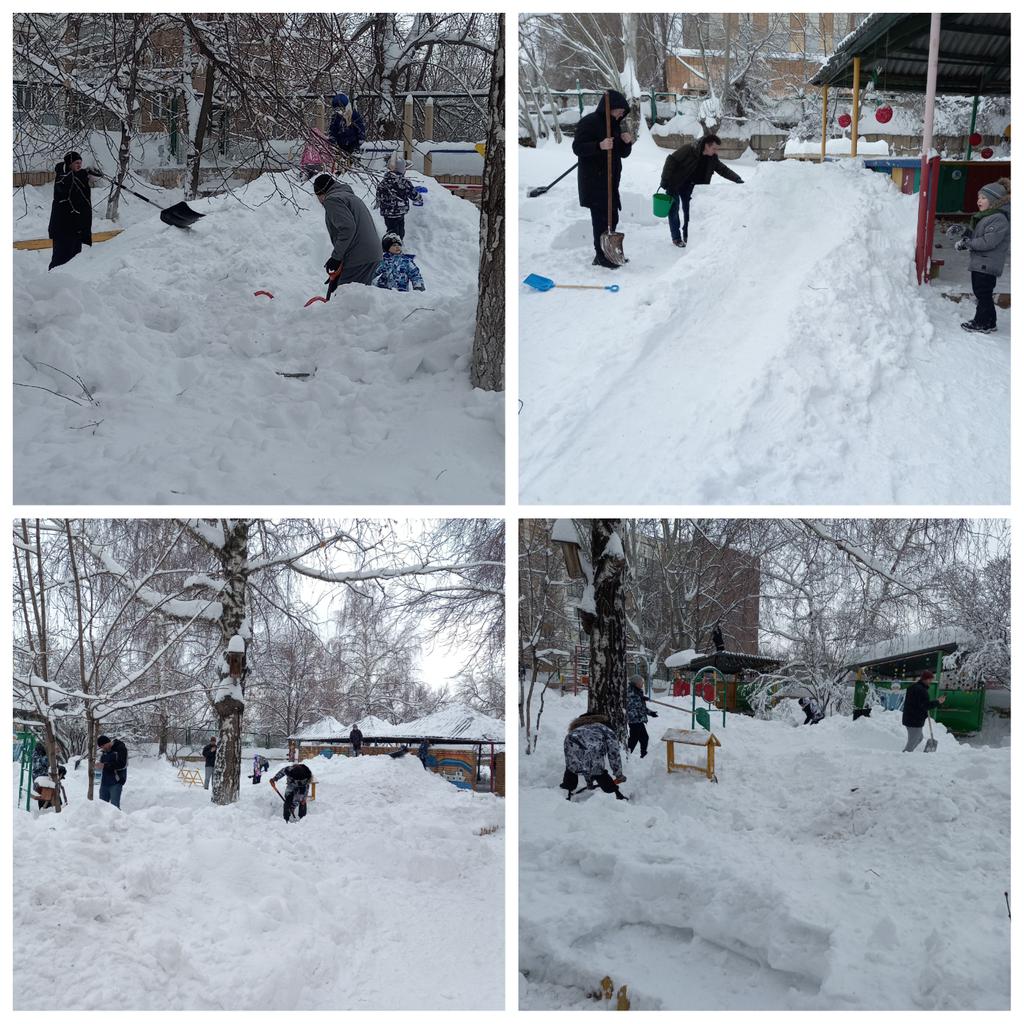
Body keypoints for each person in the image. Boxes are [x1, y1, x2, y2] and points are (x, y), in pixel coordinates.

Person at [572, 90, 634, 269]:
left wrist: (626, 142)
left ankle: (609, 252)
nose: (622, 114)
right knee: (600, 220)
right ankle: (601, 257)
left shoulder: (614, 125)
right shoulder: (589, 122)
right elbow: (577, 148)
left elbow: (622, 153)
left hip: (611, 182)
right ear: (611, 108)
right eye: (620, 111)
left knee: (612, 218)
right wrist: (599, 146)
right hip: (594, 181)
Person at [659, 134, 744, 248]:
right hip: (674, 183)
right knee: (673, 210)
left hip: (690, 186)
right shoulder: (689, 149)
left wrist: (737, 178)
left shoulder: (712, 157)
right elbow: (671, 160)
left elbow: (723, 169)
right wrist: (665, 179)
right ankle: (676, 238)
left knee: (688, 212)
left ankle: (687, 235)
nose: (715, 151)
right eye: (714, 148)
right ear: (706, 146)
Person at [955, 178, 1010, 333]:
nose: (979, 201)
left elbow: (987, 242)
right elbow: (976, 236)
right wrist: (963, 233)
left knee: (982, 294)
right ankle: (990, 322)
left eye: (984, 198)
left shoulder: (998, 218)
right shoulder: (987, 216)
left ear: (994, 201)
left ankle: (982, 323)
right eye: (979, 197)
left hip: (987, 264)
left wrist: (968, 243)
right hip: (982, 263)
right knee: (984, 293)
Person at [312, 173, 382, 290]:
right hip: (370, 255)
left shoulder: (332, 200)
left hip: (359, 258)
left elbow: (347, 229)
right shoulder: (349, 197)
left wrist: (336, 258)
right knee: (355, 298)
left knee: (347, 301)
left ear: (320, 193)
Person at [48, 151, 98, 270]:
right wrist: (83, 175)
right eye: (76, 163)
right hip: (64, 228)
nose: (79, 165)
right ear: (69, 163)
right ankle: (51, 282)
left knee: (75, 260)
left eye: (80, 163)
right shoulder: (62, 177)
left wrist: (90, 174)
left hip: (77, 227)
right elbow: (65, 186)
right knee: (61, 258)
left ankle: (68, 284)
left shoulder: (78, 176)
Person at [559, 713, 627, 800]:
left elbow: (583, 756)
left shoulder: (576, 730)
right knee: (598, 772)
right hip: (590, 752)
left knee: (572, 768)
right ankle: (617, 795)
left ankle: (565, 793)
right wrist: (619, 775)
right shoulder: (605, 729)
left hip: (570, 739)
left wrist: (589, 783)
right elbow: (614, 755)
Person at [375, 155, 422, 239]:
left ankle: (394, 246)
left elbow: (379, 194)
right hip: (399, 211)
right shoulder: (403, 182)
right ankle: (394, 246)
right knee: (399, 232)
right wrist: (418, 198)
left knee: (391, 230)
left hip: (387, 213)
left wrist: (380, 203)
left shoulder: (384, 181)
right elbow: (412, 193)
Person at [902, 671, 946, 752]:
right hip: (914, 720)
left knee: (919, 738)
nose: (931, 682)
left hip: (912, 718)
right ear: (925, 679)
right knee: (912, 742)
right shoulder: (921, 690)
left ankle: (908, 754)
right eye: (930, 679)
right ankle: (904, 756)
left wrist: (934, 702)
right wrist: (938, 702)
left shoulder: (915, 687)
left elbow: (919, 703)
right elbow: (924, 705)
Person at [626, 676, 659, 758]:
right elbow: (633, 706)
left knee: (644, 738)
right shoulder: (630, 692)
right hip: (634, 720)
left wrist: (651, 713)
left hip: (638, 720)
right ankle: (626, 756)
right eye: (641, 682)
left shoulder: (638, 691)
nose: (642, 684)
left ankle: (643, 754)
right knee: (634, 739)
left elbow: (641, 707)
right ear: (636, 683)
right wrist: (641, 698)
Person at [328, 93, 366, 160]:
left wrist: (361, 139)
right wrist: (332, 140)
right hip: (340, 144)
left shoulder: (353, 115)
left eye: (340, 109)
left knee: (353, 159)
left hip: (353, 143)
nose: (339, 111)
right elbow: (333, 130)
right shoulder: (335, 118)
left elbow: (360, 127)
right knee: (340, 160)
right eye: (336, 109)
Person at [96, 734, 129, 809]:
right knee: (101, 807)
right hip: (104, 783)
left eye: (102, 746)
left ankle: (117, 820)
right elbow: (104, 765)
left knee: (114, 808)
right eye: (101, 747)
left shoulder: (120, 748)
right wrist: (99, 766)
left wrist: (105, 766)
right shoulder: (105, 751)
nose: (102, 748)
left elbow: (122, 764)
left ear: (107, 743)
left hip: (116, 783)